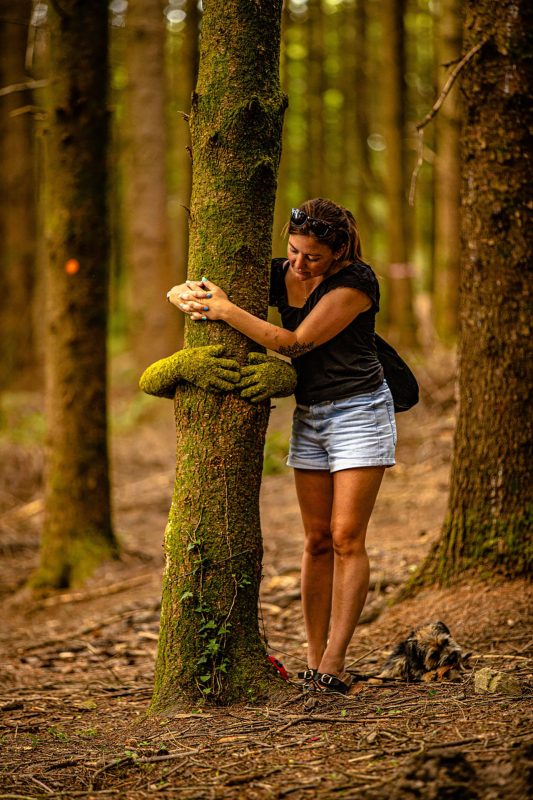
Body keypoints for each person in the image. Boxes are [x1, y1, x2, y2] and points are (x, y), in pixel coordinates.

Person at [167, 198, 397, 695]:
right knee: (315, 540)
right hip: (311, 414)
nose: (298, 264)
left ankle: (334, 663)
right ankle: (313, 661)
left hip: (359, 412)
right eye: (292, 251)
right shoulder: (283, 271)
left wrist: (226, 309)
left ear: (337, 253)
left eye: (311, 257)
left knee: (345, 538)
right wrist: (181, 294)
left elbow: (292, 343)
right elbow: (203, 288)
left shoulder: (355, 284)